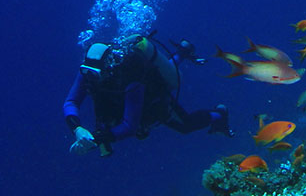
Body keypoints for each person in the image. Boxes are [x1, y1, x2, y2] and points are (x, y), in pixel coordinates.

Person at [63, 34, 230, 156]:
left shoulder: (130, 74)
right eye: (87, 72)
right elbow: (71, 102)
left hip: (153, 100)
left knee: (186, 125)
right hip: (121, 102)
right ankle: (181, 53)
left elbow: (130, 125)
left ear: (108, 67)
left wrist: (96, 139)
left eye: (95, 74)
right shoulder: (88, 72)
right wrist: (76, 128)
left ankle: (219, 114)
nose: (90, 79)